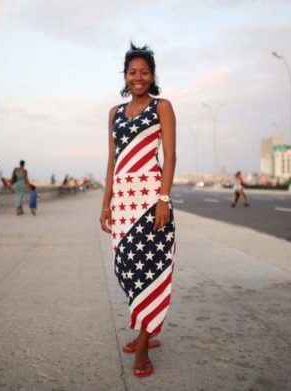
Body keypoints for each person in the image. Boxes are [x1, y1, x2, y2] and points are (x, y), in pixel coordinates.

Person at [99, 43, 176, 378]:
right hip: (124, 203)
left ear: (152, 75)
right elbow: (112, 161)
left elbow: (170, 157)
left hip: (151, 201)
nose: (138, 77)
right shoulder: (114, 113)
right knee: (127, 268)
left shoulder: (163, 107)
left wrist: (164, 199)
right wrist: (106, 202)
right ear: (125, 76)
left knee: (152, 270)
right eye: (133, 72)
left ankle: (144, 344)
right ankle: (145, 325)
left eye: (144, 71)